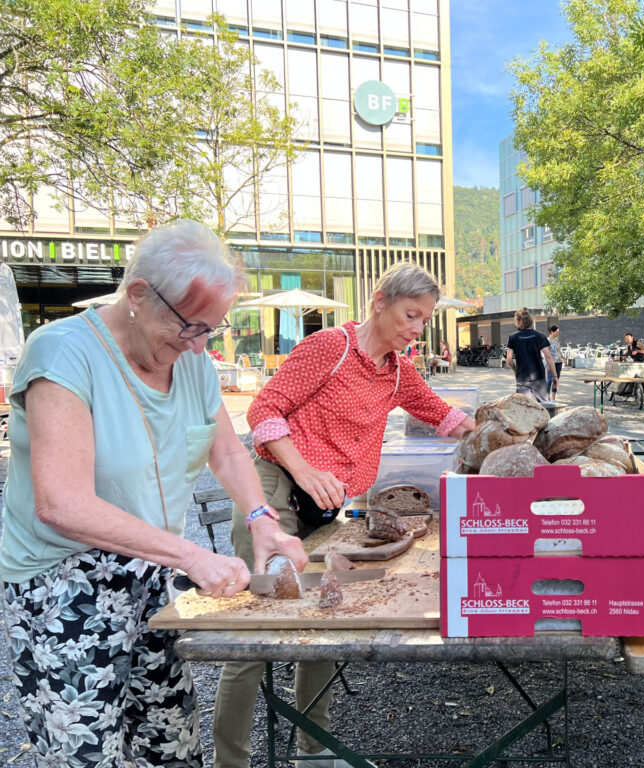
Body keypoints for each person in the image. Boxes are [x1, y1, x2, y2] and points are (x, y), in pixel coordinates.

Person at [0, 220, 307, 767]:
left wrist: (262, 517)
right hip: (63, 587)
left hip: (150, 569)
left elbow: (225, 449)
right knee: (84, 753)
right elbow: (61, 503)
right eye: (190, 325)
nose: (199, 345)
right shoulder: (63, 353)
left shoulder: (191, 358)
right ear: (139, 294)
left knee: (169, 742)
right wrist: (192, 556)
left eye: (212, 329)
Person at [214, 262, 476, 768]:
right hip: (275, 490)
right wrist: (304, 467)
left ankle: (313, 752)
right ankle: (231, 763)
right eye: (411, 315)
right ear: (379, 302)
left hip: (328, 508)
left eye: (424, 320)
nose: (417, 329)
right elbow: (263, 411)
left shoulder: (397, 371)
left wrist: (512, 435)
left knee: (324, 617)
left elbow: (447, 417)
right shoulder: (329, 348)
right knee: (256, 628)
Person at [505, 308, 558, 402]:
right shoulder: (539, 335)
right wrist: (554, 376)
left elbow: (509, 359)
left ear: (518, 321)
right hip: (539, 377)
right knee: (543, 405)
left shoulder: (513, 337)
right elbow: (548, 356)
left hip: (522, 378)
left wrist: (516, 370)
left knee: (524, 406)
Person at [546, 325, 563, 399]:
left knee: (556, 380)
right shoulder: (547, 341)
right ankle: (546, 397)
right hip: (551, 363)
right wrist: (548, 364)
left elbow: (559, 350)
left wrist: (563, 357)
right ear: (552, 332)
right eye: (556, 331)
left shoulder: (557, 340)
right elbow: (545, 353)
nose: (558, 333)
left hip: (559, 362)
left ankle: (553, 397)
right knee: (549, 380)